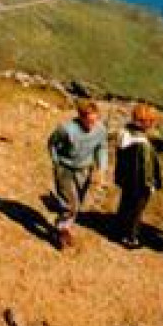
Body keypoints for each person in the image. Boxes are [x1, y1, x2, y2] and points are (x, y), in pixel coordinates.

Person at [46, 101, 108, 249]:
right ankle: (61, 231)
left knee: (78, 202)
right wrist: (56, 163)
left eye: (95, 120)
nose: (92, 125)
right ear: (81, 117)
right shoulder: (66, 130)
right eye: (89, 121)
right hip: (65, 169)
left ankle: (66, 226)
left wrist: (102, 167)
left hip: (85, 170)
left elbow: (101, 147)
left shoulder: (100, 129)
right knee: (70, 203)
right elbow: (52, 144)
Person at [113, 104, 163, 249]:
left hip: (127, 178)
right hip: (140, 183)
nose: (153, 124)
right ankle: (131, 238)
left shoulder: (124, 133)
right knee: (137, 210)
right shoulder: (142, 143)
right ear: (145, 121)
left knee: (125, 204)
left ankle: (119, 230)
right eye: (151, 121)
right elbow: (146, 167)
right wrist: (151, 185)